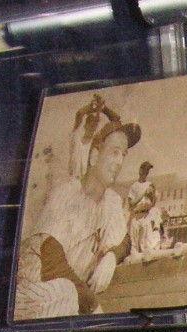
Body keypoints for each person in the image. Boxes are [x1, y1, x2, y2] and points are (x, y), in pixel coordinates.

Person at [15, 119, 141, 319]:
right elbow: (52, 262)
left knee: (70, 297)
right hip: (30, 292)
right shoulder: (65, 194)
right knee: (66, 293)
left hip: (68, 298)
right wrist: (93, 306)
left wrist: (111, 257)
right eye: (114, 152)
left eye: (123, 155)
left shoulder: (112, 201)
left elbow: (125, 240)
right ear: (94, 156)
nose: (120, 162)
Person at [68, 93, 120, 181]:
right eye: (91, 124)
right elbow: (79, 114)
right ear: (85, 125)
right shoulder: (76, 138)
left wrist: (104, 109)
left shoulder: (96, 141)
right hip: (73, 182)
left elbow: (117, 120)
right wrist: (92, 106)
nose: (93, 127)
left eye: (95, 124)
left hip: (88, 183)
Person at [126, 161, 157, 255]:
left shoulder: (150, 184)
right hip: (136, 216)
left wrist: (152, 195)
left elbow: (153, 203)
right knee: (134, 244)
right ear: (140, 171)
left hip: (145, 215)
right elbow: (131, 204)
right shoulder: (134, 186)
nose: (146, 173)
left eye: (148, 171)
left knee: (145, 244)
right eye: (145, 170)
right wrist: (144, 194)